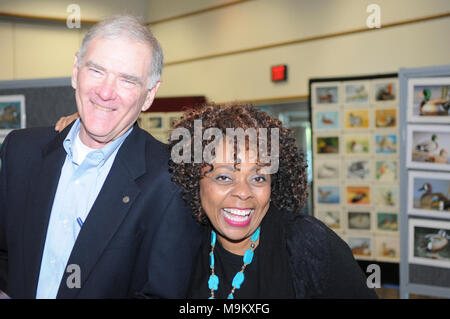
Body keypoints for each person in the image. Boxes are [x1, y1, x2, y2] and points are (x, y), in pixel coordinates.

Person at [0, 15, 202, 299]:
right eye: (96, 71)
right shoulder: (20, 151)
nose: (106, 92)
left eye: (127, 80)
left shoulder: (170, 181)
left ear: (149, 95)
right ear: (75, 71)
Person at [167, 103, 378, 299]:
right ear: (195, 180)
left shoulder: (307, 243)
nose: (243, 192)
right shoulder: (182, 244)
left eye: (258, 178)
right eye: (224, 177)